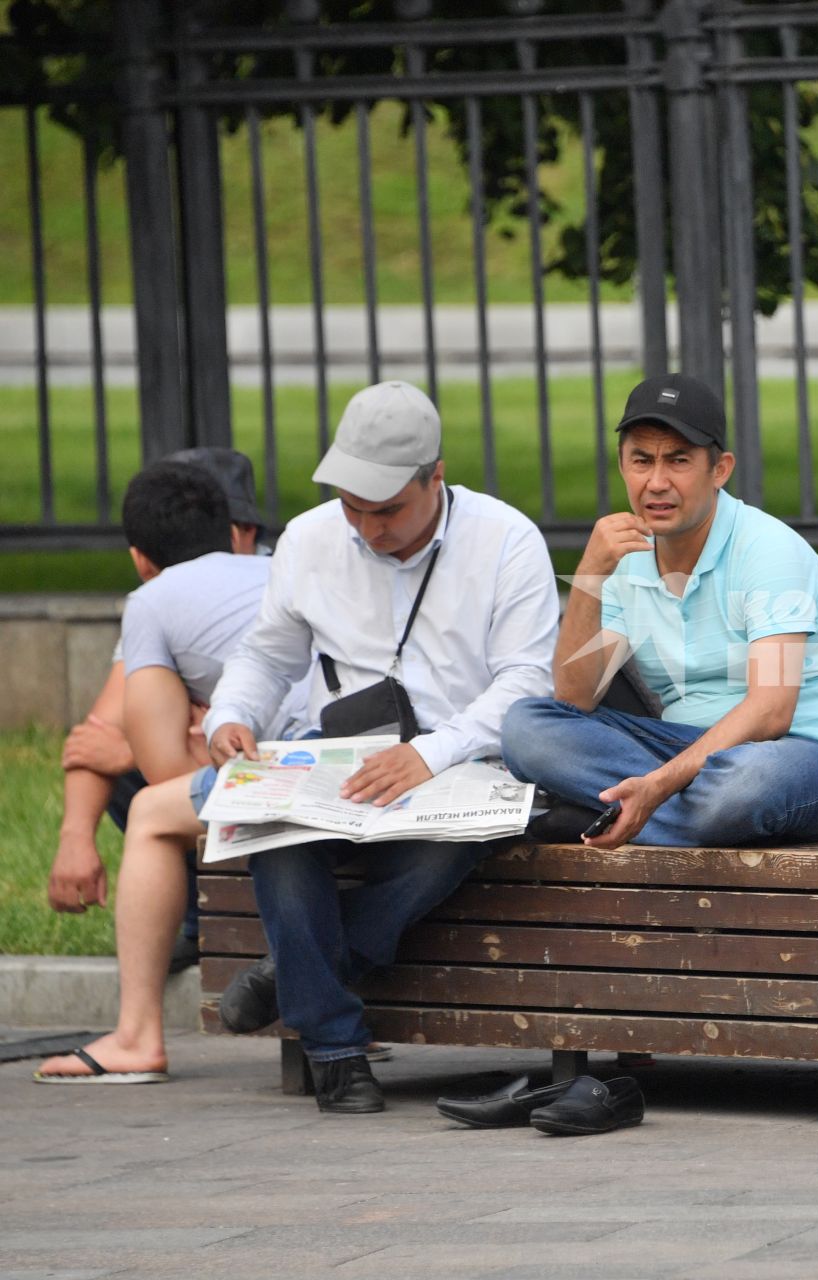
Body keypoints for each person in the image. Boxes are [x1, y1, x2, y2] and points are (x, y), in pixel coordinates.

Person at [42, 382, 559, 1114]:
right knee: (276, 834)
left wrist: (431, 754)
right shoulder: (315, 539)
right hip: (338, 754)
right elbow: (266, 656)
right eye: (353, 507)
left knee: (455, 843)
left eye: (387, 510)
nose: (368, 528)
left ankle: (298, 985)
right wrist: (231, 714)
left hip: (463, 760)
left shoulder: (506, 540)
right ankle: (337, 1051)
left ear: (435, 476)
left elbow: (523, 682)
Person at [501, 372, 818, 849]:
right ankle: (660, 811)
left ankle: (614, 808)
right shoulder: (624, 555)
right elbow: (576, 698)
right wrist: (590, 577)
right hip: (686, 750)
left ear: (719, 469)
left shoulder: (769, 550)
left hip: (808, 758)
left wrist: (659, 785)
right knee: (525, 728)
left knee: (746, 784)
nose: (656, 482)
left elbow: (771, 713)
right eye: (642, 460)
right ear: (622, 466)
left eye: (678, 461)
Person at [34, 458, 309, 1086]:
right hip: (369, 762)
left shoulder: (151, 599)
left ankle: (136, 1035)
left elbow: (161, 771)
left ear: (139, 557)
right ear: (230, 530)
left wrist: (177, 730)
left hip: (294, 778)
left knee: (154, 815)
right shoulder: (282, 569)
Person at [46, 447, 272, 972]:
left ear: (244, 533)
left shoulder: (282, 579)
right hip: (230, 771)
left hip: (281, 765)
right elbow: (95, 734)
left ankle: (234, 924)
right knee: (122, 765)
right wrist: (76, 840)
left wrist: (140, 747)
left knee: (140, 773)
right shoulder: (164, 600)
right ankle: (203, 916)